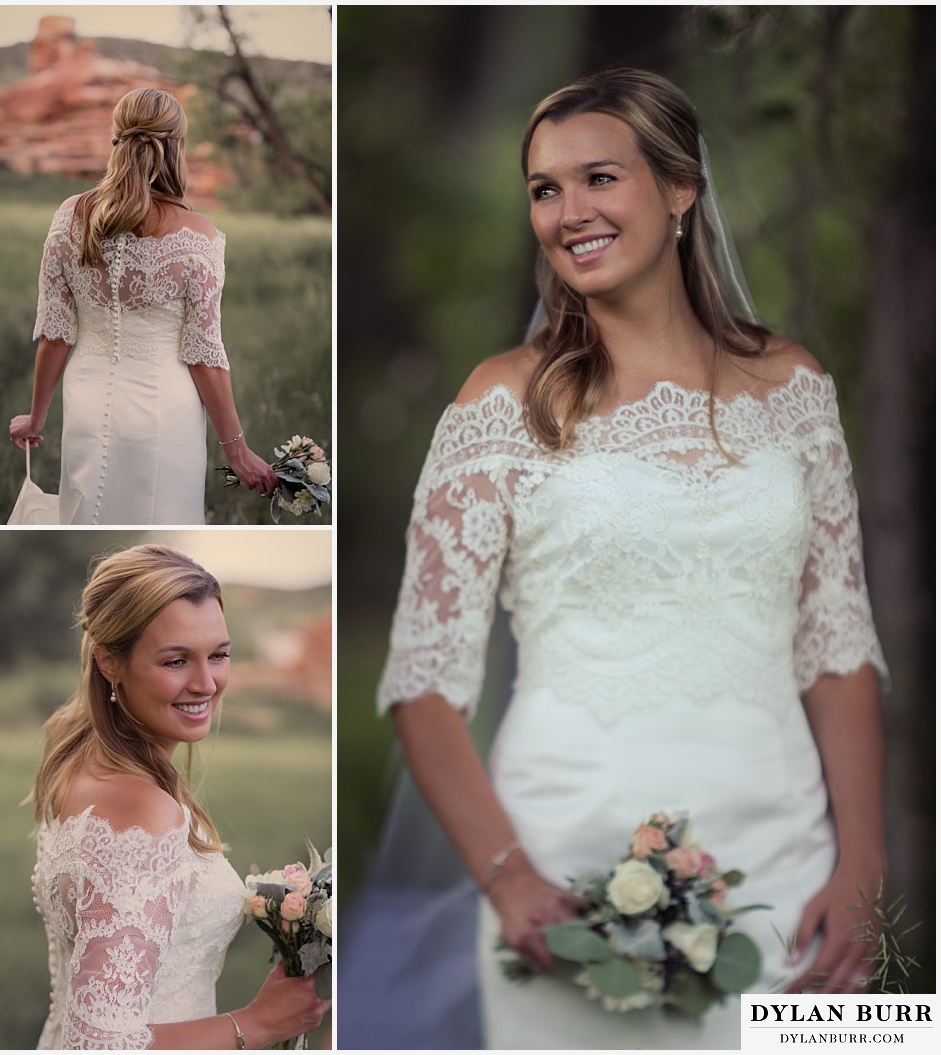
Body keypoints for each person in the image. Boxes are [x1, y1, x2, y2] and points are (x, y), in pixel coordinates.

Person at [377, 68, 888, 1049]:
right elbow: (423, 680)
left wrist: (863, 858)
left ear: (682, 187)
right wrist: (511, 878)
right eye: (544, 189)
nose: (570, 213)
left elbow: (838, 641)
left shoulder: (795, 387)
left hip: (789, 860)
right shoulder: (500, 405)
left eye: (599, 178)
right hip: (569, 874)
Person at [29, 544, 330, 1049]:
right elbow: (99, 1044)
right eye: (175, 661)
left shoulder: (80, 761)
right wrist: (255, 1024)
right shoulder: (142, 808)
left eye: (219, 655)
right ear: (109, 662)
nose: (206, 682)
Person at [8, 88, 278, 524]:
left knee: (85, 512)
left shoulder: (69, 216)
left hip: (86, 401)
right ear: (176, 147)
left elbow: (56, 333)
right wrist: (238, 450)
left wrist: (36, 418)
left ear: (116, 139)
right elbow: (205, 357)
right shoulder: (197, 236)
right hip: (164, 411)